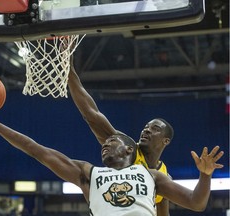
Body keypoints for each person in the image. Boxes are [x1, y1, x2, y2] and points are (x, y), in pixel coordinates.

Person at [0, 100, 224, 216]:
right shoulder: (88, 174)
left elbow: (196, 203)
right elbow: (35, 149)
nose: (105, 145)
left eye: (112, 142)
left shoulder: (153, 176)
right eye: (105, 143)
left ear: (128, 150)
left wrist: (205, 175)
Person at [67, 55, 173, 215]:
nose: (146, 130)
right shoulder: (125, 147)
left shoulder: (163, 175)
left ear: (166, 141)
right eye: (146, 127)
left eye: (155, 128)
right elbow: (91, 114)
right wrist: (69, 70)